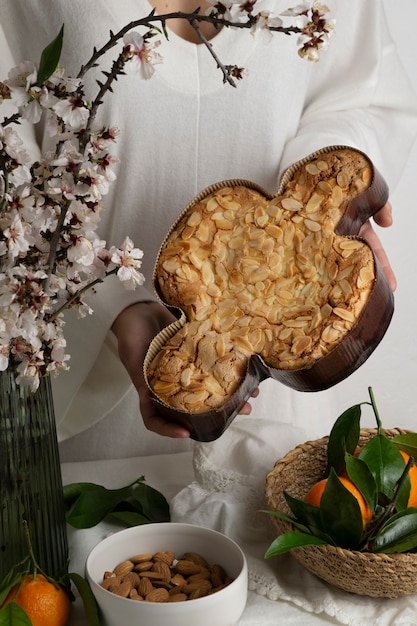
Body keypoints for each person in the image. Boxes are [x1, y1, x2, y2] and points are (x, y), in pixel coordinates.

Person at [1, 0, 416, 458]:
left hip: (287, 399)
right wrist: (111, 306)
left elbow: (360, 89)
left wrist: (321, 194)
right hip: (95, 391)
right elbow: (10, 178)